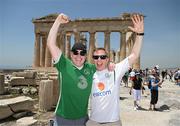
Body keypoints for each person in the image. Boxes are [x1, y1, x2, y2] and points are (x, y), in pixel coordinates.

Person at [86, 14, 144, 126]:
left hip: (113, 122)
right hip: (93, 121)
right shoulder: (88, 73)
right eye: (96, 57)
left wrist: (140, 34)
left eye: (103, 57)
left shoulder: (116, 70)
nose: (99, 60)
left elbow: (134, 55)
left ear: (107, 58)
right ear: (92, 59)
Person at [47, 13, 96, 126]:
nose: (79, 56)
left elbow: (104, 65)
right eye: (75, 53)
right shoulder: (64, 64)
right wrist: (57, 21)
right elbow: (50, 44)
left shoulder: (91, 68)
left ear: (86, 55)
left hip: (82, 119)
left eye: (82, 53)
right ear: (71, 54)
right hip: (63, 118)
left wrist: (110, 64)